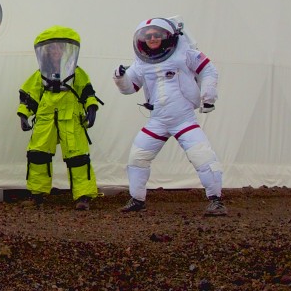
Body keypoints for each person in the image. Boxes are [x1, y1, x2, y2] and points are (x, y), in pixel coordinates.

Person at [113, 16, 227, 217]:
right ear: (142, 40)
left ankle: (216, 201)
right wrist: (120, 78)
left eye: (157, 35)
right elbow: (130, 88)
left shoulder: (185, 54)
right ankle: (137, 199)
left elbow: (208, 70)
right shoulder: (141, 63)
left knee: (203, 157)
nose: (153, 38)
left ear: (168, 36)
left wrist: (208, 95)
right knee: (137, 157)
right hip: (158, 120)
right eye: (148, 36)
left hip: (184, 120)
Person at [16, 26, 101, 210]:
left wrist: (92, 108)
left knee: (78, 156)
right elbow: (30, 96)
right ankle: (36, 194)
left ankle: (83, 196)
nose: (56, 51)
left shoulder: (76, 72)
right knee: (38, 155)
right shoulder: (40, 74)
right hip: (45, 118)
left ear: (65, 49)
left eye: (59, 47)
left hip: (70, 118)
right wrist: (23, 114)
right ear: (46, 51)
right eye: (52, 48)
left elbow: (87, 92)